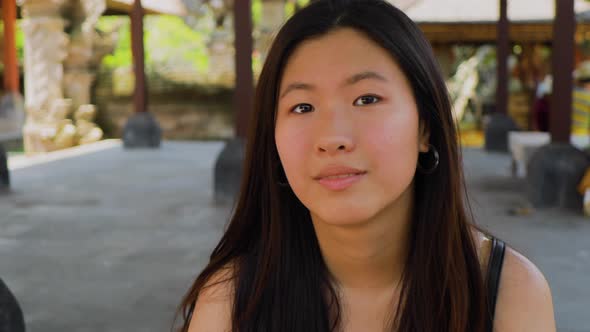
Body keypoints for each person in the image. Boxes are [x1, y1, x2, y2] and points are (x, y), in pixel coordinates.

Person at [176, 1, 555, 331]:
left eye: (367, 99)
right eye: (302, 107)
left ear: (426, 128)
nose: (333, 137)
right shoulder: (231, 301)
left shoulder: (509, 293)